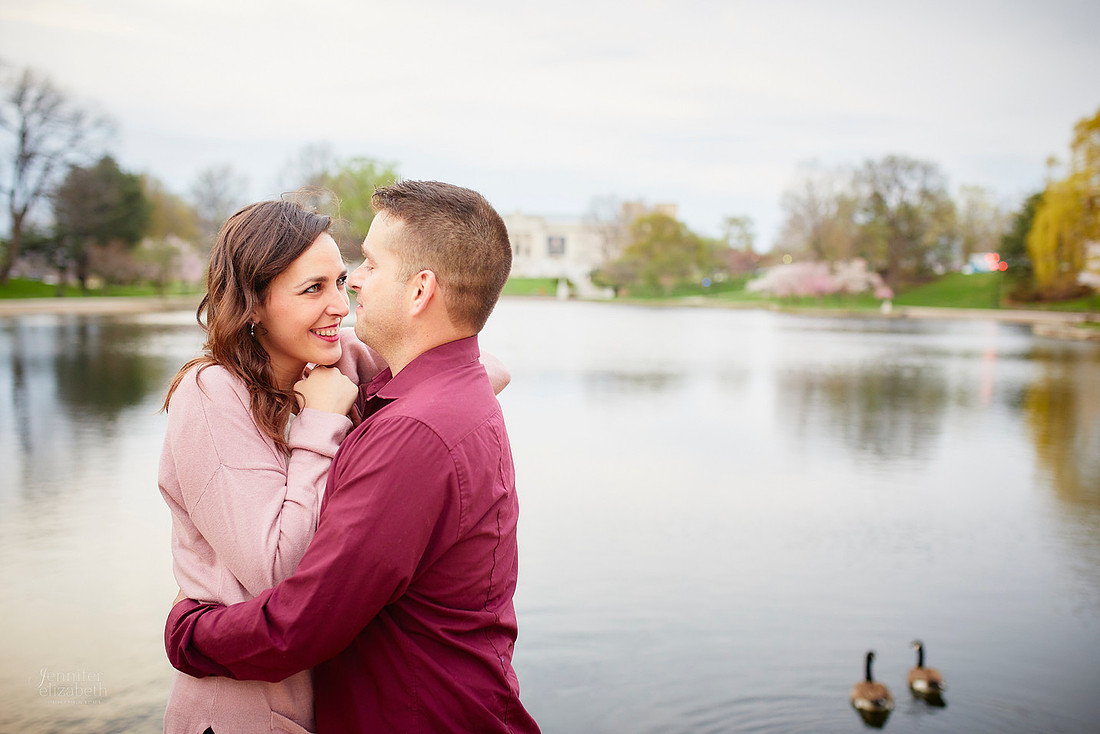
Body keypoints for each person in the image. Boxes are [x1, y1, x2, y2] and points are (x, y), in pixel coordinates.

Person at [165, 181, 540, 733]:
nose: (343, 302)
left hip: (317, 693)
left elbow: (482, 372)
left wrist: (384, 399)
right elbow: (280, 575)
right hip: (247, 708)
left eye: (346, 276)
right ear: (255, 303)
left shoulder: (341, 369)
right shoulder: (213, 394)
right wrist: (326, 422)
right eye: (313, 288)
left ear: (418, 291)